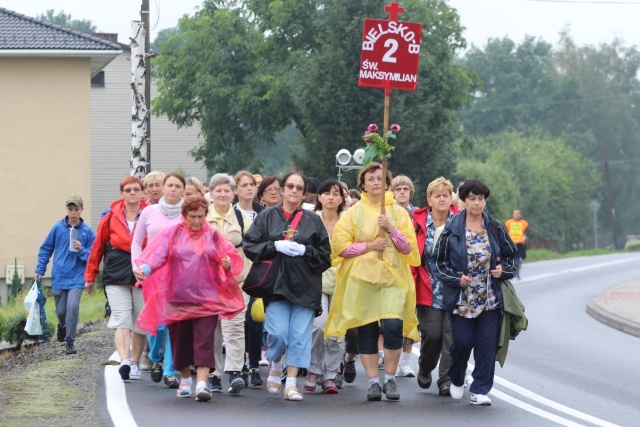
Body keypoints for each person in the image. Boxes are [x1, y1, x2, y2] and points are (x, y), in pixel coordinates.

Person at [133, 196, 245, 402]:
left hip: (207, 298)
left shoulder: (213, 236)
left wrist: (228, 264)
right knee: (180, 341)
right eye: (192, 216)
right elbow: (157, 256)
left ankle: (202, 384)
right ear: (184, 216)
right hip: (177, 298)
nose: (196, 221)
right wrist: (144, 269)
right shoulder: (173, 234)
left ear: (206, 216)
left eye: (201, 216)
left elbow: (229, 257)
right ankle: (186, 381)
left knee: (204, 340)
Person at [326, 163, 420, 402]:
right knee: (366, 331)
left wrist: (391, 229)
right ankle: (372, 383)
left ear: (386, 182)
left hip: (393, 280)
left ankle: (389, 379)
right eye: (371, 179)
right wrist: (369, 246)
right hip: (363, 280)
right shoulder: (352, 213)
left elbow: (408, 247)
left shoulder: (398, 213)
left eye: (380, 178)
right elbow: (341, 248)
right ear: (363, 184)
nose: (376, 182)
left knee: (392, 327)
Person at [243, 173, 331, 401]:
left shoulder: (313, 220)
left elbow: (325, 257)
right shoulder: (267, 217)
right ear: (282, 190)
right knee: (279, 334)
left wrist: (305, 251)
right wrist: (274, 246)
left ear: (304, 193)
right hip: (276, 286)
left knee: (300, 337)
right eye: (289, 186)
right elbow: (250, 245)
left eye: (298, 187)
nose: (293, 190)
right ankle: (275, 363)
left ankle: (291, 383)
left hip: (306, 286)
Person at [433, 179, 516, 406]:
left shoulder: (495, 227)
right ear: (463, 200)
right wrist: (455, 278)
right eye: (472, 198)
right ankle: (457, 378)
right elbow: (437, 264)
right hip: (462, 299)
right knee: (462, 342)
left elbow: (511, 256)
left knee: (487, 345)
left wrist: (503, 270)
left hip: (490, 298)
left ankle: (480, 389)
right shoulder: (450, 229)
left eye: (481, 199)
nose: (477, 203)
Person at [85, 176, 148, 381]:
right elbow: (97, 248)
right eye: (128, 190)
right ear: (121, 194)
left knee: (140, 320)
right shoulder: (110, 218)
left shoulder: (150, 215)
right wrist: (90, 275)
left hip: (143, 274)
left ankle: (136, 361)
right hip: (116, 273)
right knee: (122, 318)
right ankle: (124, 361)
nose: (132, 193)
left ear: (142, 192)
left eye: (136, 189)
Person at [131, 172, 186, 388]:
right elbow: (136, 242)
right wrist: (137, 266)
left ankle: (170, 370)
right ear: (163, 188)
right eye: (169, 185)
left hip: (179, 274)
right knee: (158, 324)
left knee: (172, 322)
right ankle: (155, 356)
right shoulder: (149, 212)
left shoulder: (187, 213)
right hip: (152, 272)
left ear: (183, 190)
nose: (173, 189)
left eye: (177, 186)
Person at [410, 177, 459, 396]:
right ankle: (425, 366)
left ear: (451, 198)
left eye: (446, 195)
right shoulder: (417, 223)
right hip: (427, 289)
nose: (442, 199)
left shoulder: (460, 222)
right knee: (433, 335)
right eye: (437, 195)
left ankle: (446, 379)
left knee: (452, 339)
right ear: (429, 199)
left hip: (455, 291)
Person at [206, 173, 253, 395]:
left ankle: (235, 371)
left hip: (237, 281)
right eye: (219, 190)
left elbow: (252, 249)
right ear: (211, 193)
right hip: (208, 283)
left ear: (233, 193)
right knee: (212, 329)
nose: (223, 194)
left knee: (234, 325)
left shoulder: (243, 218)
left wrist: (242, 269)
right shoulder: (202, 216)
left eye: (227, 190)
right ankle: (213, 375)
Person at [36, 195, 95, 355]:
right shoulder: (58, 228)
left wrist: (81, 249)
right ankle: (62, 326)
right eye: (70, 209)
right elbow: (46, 249)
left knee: (72, 307)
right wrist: (40, 269)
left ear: (82, 210)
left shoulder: (87, 232)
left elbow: (94, 256)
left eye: (76, 209)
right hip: (60, 276)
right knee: (61, 311)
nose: (73, 212)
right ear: (67, 210)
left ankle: (70, 341)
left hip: (77, 277)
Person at [304, 180, 346, 394]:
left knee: (337, 332)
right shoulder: (311, 219)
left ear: (341, 199)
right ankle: (313, 369)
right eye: (326, 193)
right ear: (318, 197)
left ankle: (331, 374)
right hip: (316, 279)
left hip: (343, 281)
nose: (331, 197)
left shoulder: (347, 221)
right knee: (319, 326)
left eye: (335, 193)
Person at [390, 174, 418, 377]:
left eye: (405, 189)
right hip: (390, 270)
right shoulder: (385, 213)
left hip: (412, 269)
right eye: (398, 189)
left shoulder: (418, 215)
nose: (402, 192)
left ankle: (406, 362)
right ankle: (388, 356)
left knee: (410, 315)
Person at [504, 210, 529, 278]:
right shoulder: (508, 223)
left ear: (520, 214)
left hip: (520, 244)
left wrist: (523, 238)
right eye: (515, 214)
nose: (516, 215)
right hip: (511, 244)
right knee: (510, 258)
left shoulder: (524, 223)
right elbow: (505, 233)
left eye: (517, 214)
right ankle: (511, 271)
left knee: (520, 259)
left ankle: (518, 272)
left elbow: (526, 233)